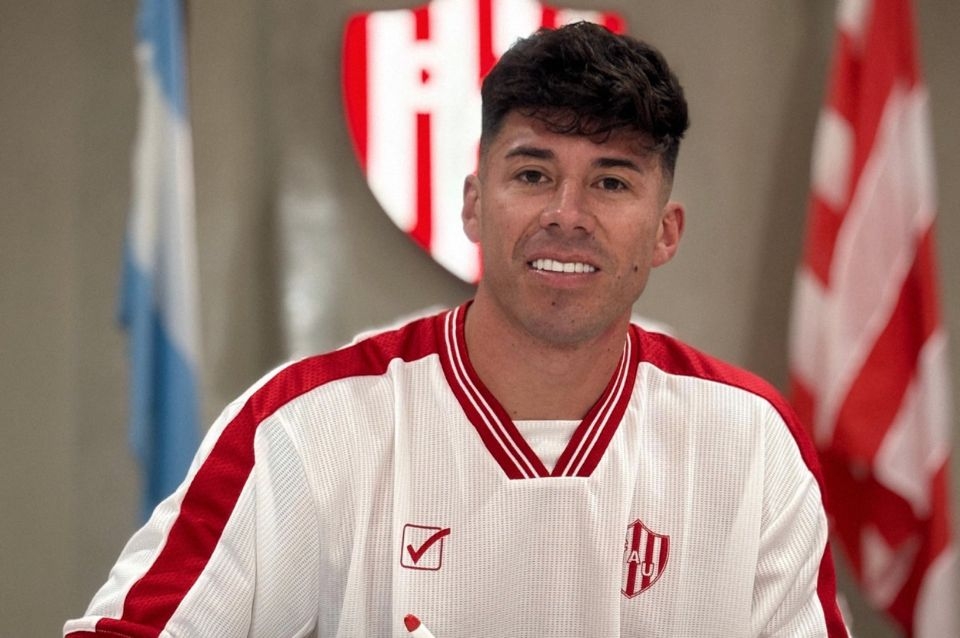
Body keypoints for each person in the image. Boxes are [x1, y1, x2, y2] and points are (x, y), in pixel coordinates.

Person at [65, 22, 848, 637]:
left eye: (611, 182)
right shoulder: (307, 426)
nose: (566, 215)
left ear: (665, 231)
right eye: (533, 173)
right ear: (475, 204)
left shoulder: (751, 441)